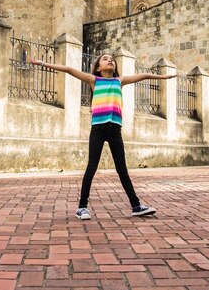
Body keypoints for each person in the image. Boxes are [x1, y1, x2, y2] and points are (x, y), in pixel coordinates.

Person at [29, 53, 176, 220]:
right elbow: (69, 69)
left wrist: (164, 76)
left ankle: (136, 206)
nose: (110, 60)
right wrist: (41, 63)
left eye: (112, 59)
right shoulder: (94, 80)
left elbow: (144, 75)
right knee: (91, 168)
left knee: (123, 170)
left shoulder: (119, 81)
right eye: (105, 59)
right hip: (98, 130)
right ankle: (82, 207)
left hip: (115, 131)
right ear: (98, 67)